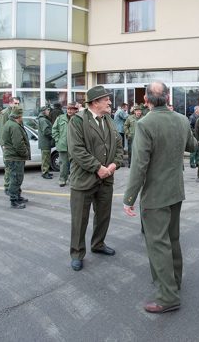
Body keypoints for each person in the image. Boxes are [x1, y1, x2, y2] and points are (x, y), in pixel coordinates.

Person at [122, 81, 197, 314]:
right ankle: (174, 282)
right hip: (175, 191)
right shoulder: (182, 120)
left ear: (146, 100)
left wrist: (129, 198)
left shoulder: (145, 124)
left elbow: (139, 165)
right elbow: (193, 146)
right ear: (168, 98)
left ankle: (168, 296)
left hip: (155, 194)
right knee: (172, 239)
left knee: (158, 244)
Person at [67, 85, 123, 271]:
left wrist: (114, 164)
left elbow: (118, 145)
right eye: (106, 99)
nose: (109, 102)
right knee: (79, 219)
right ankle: (77, 253)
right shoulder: (77, 121)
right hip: (84, 179)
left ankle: (98, 244)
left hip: (106, 178)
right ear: (94, 102)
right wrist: (98, 168)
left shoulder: (109, 120)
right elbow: (76, 150)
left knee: (103, 215)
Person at [1, 107, 31, 209]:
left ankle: (17, 196)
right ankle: (14, 200)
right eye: (22, 115)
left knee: (17, 178)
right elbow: (18, 144)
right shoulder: (14, 126)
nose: (22, 117)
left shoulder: (11, 124)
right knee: (16, 179)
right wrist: (25, 153)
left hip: (13, 156)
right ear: (18, 116)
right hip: (15, 157)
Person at [0, 96, 21, 195]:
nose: (17, 105)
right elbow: (2, 130)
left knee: (15, 166)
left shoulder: (16, 113)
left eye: (18, 103)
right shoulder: (5, 113)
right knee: (9, 165)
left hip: (14, 143)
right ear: (10, 103)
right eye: (15, 103)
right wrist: (4, 144)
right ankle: (7, 187)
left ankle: (13, 186)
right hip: (8, 144)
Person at [52, 101, 79, 187]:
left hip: (74, 146)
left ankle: (73, 179)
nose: (69, 111)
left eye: (71, 109)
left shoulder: (78, 119)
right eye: (68, 109)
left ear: (75, 110)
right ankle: (62, 179)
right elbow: (54, 130)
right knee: (63, 164)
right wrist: (58, 140)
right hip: (63, 145)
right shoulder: (60, 118)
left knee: (74, 164)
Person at [37, 105, 53, 179]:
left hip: (45, 142)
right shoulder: (43, 120)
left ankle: (46, 171)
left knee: (46, 158)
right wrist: (53, 135)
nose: (49, 111)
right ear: (44, 111)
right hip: (45, 142)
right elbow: (46, 131)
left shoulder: (43, 119)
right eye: (48, 110)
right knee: (45, 159)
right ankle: (45, 173)